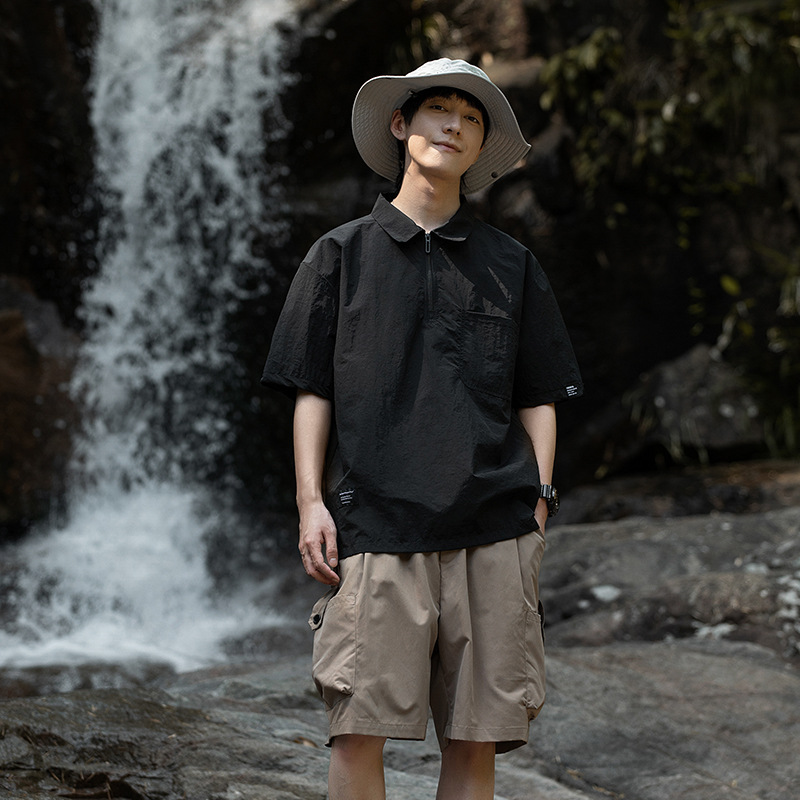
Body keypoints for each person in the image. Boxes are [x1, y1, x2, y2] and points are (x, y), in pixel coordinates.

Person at [261, 58, 583, 800]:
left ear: (480, 147)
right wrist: (311, 502)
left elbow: (539, 396)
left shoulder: (511, 264)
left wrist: (538, 503)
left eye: (471, 119)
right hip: (376, 525)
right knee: (356, 733)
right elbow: (311, 390)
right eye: (440, 109)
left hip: (494, 528)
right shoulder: (339, 255)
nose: (454, 126)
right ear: (401, 124)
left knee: (475, 743)